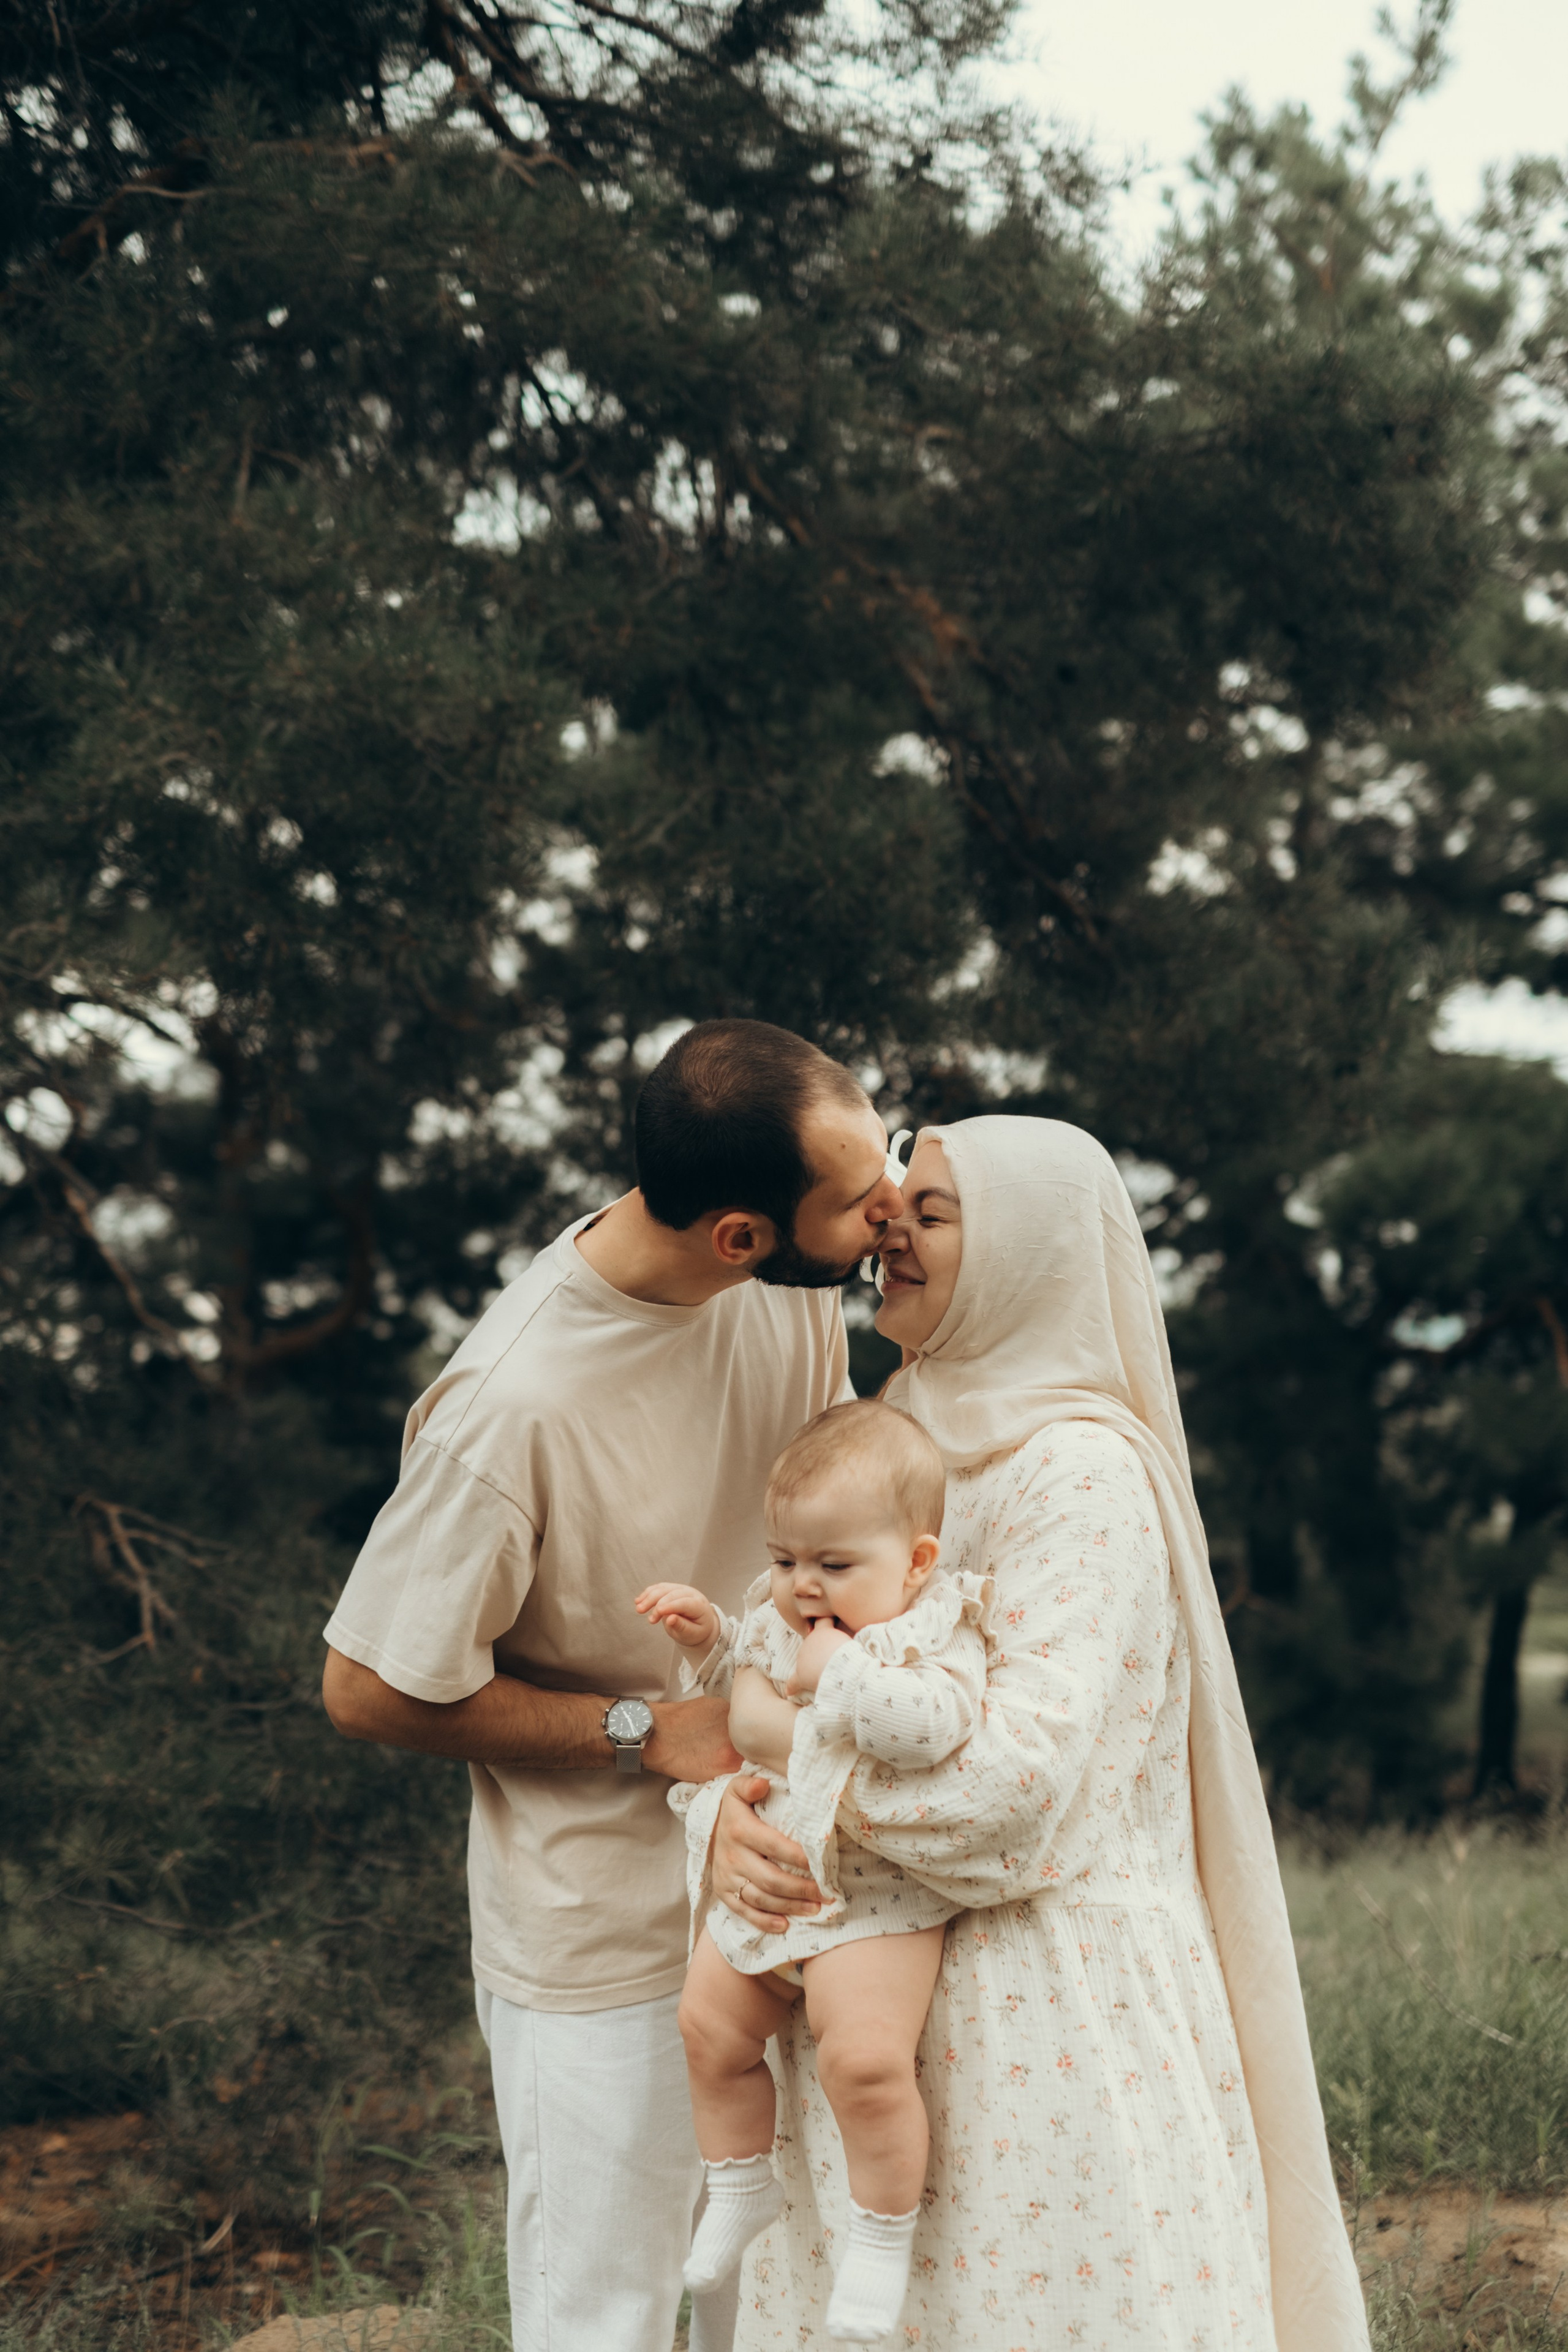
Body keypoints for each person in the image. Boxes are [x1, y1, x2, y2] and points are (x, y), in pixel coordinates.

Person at [706, 1116, 1373, 2352]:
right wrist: (723, 1827)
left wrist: (783, 1749)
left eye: (936, 1214)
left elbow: (1012, 1800)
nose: (889, 1226)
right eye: (898, 1203)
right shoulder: (884, 1444)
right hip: (870, 2024)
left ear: (1031, 1257)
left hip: (1040, 2039)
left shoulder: (1076, 1474)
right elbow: (763, 1680)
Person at [319, 1019, 905, 2352]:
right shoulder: (509, 1408)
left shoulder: (789, 1295)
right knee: (608, 2323)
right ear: (742, 1237)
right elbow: (362, 1686)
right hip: (603, 1941)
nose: (879, 1214)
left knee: (778, 2312)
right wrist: (648, 1731)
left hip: (794, 1893)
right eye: (852, 1196)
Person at [638, 1399, 990, 2344]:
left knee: (865, 2063)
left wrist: (837, 1671)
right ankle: (739, 2185)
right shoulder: (780, 1614)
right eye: (787, 1558)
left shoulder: (926, 1635)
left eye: (834, 1565)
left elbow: (930, 1733)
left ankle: (881, 2237)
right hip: (771, 1890)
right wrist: (709, 1637)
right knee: (707, 2026)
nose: (802, 1586)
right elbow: (736, 1688)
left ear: (915, 1562)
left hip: (874, 1899)